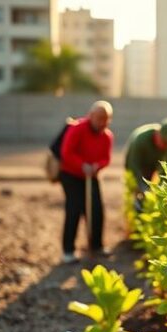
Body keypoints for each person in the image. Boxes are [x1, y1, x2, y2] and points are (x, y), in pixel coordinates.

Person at [59, 100, 114, 264]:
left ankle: (96, 245)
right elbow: (66, 152)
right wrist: (82, 165)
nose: (101, 122)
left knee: (96, 209)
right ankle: (68, 250)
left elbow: (106, 158)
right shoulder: (77, 128)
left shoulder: (107, 136)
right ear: (91, 116)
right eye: (98, 118)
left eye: (105, 119)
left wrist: (96, 166)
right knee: (74, 208)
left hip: (92, 175)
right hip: (71, 174)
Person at [124, 119, 167, 210]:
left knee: (149, 196)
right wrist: (142, 188)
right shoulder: (140, 140)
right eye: (164, 142)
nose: (165, 147)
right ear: (157, 134)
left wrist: (162, 192)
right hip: (136, 163)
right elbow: (133, 166)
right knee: (138, 196)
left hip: (152, 166)